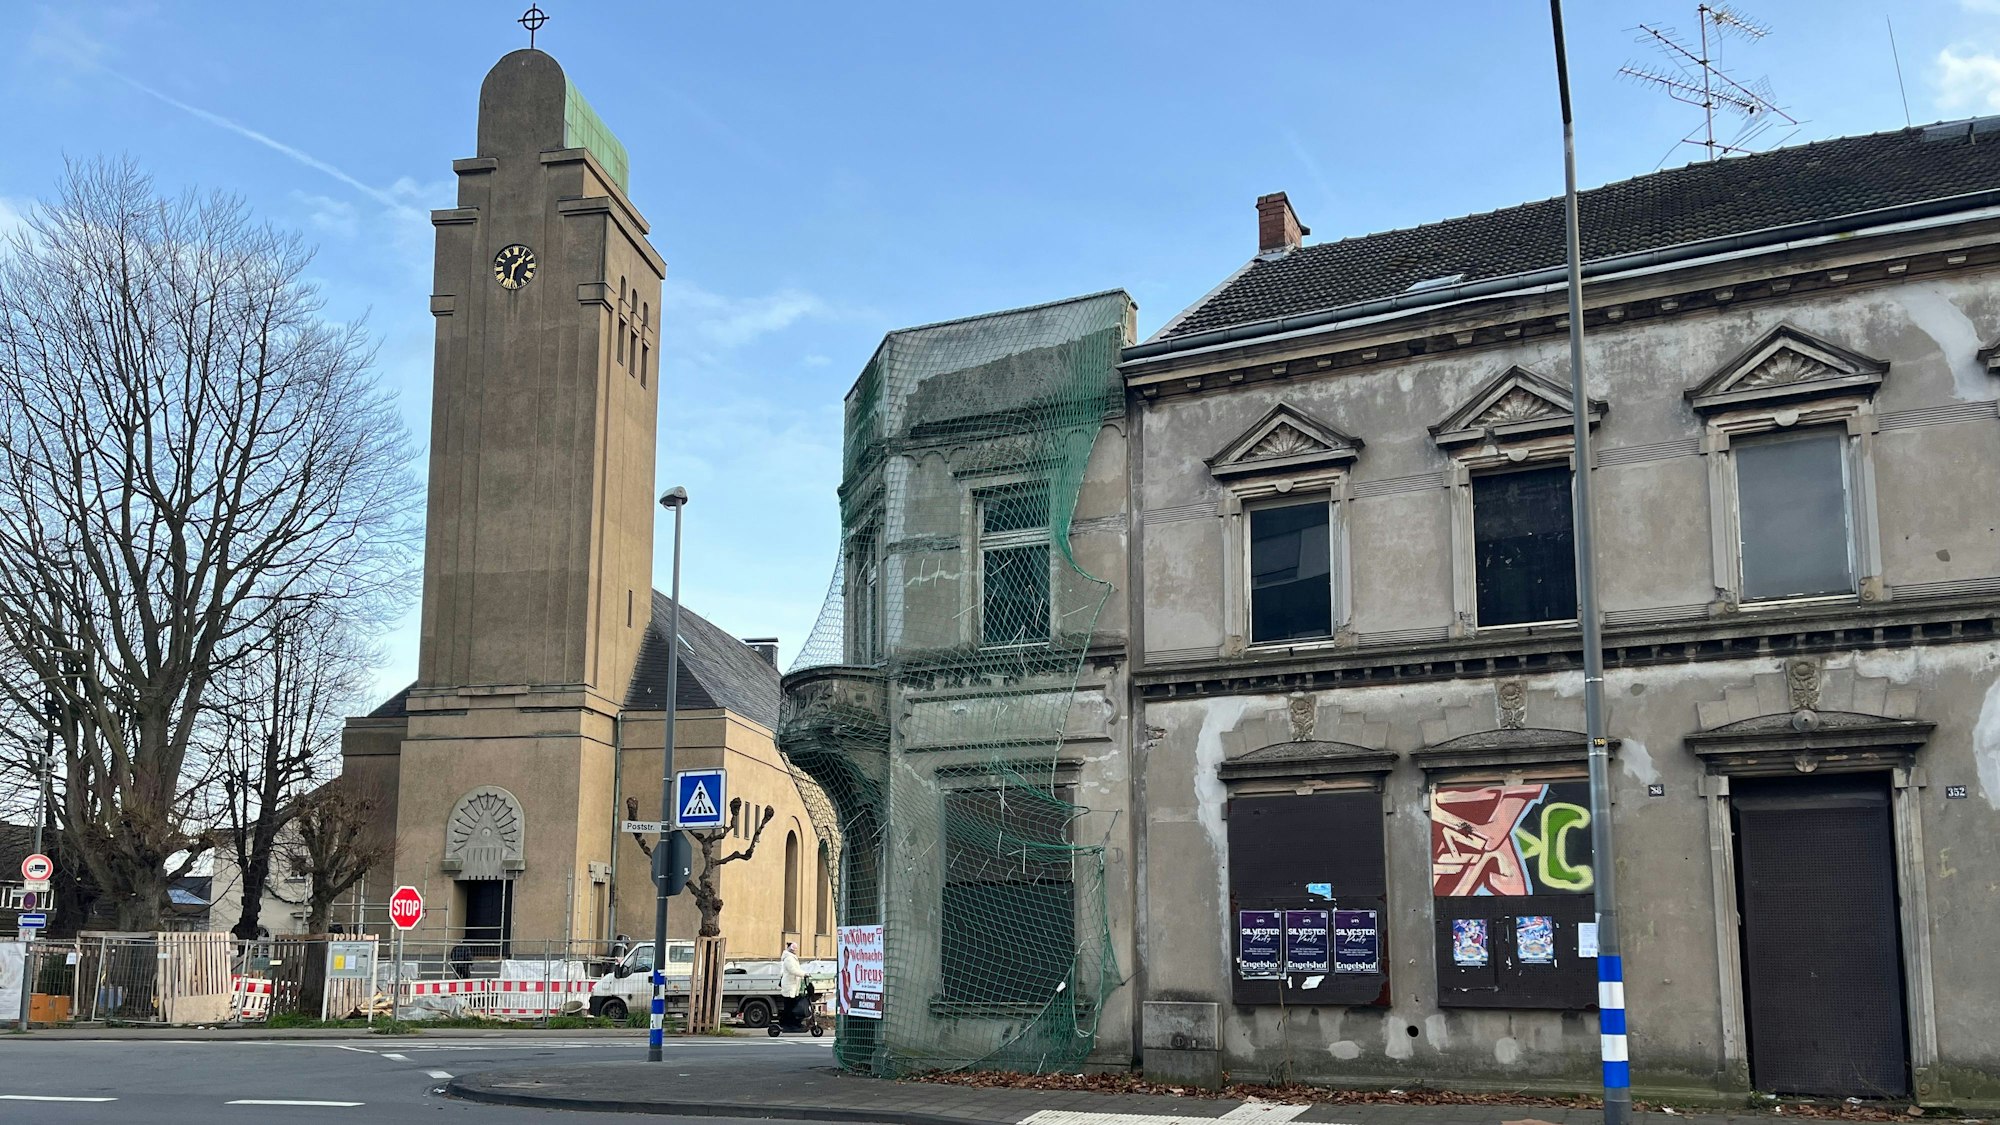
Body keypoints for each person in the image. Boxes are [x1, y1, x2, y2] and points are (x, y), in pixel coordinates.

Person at [779, 941, 806, 1027]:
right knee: (789, 1006)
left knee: (791, 1005)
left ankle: (791, 1023)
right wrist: (804, 974)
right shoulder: (788, 958)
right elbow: (792, 970)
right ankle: (787, 1023)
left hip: (792, 985)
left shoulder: (791, 957)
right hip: (789, 986)